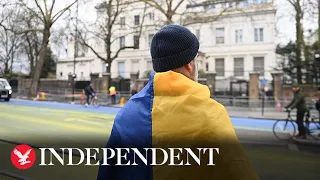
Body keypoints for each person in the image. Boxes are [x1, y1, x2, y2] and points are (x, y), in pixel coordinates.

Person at [97, 24, 258, 180]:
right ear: (189, 64)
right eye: (196, 59)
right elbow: (240, 172)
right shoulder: (210, 114)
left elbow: (107, 172)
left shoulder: (126, 113)